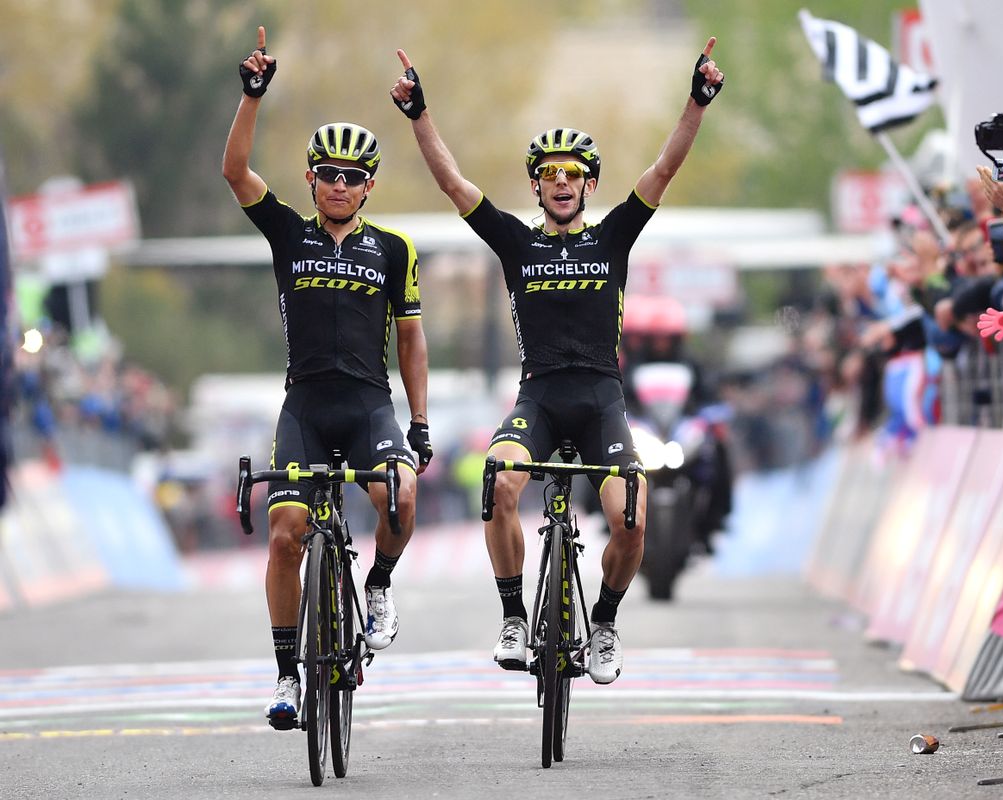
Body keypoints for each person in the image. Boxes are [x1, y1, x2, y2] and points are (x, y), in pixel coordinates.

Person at [390, 37, 724, 684]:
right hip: (539, 400)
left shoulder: (614, 235)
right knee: (498, 484)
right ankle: (514, 616)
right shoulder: (516, 242)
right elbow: (454, 184)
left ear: (589, 184)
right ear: (538, 187)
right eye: (549, 175)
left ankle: (604, 622)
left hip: (602, 402)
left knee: (632, 517)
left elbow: (664, 167)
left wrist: (696, 102)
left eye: (572, 174)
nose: (562, 183)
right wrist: (418, 115)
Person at [222, 26, 434, 728]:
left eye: (352, 177)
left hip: (369, 405)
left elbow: (411, 341)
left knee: (400, 498)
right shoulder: (290, 233)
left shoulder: (395, 249)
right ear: (312, 177)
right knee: (285, 531)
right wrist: (252, 97)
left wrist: (420, 421)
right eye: (328, 174)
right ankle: (287, 674)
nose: (339, 185)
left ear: (369, 185)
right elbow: (236, 173)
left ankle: (376, 585)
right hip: (306, 407)